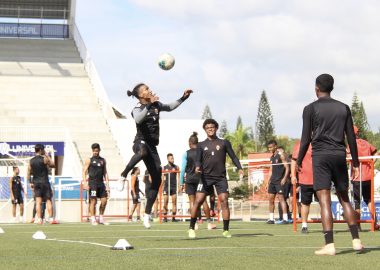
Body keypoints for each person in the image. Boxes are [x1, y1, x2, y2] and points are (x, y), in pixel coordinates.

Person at [297, 74, 363, 255]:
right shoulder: (344, 108)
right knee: (344, 198)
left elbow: (305, 140)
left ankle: (330, 245)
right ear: (331, 88)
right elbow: (351, 138)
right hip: (339, 156)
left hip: (320, 157)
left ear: (316, 88)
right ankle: (356, 241)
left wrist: (300, 161)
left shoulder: (310, 109)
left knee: (325, 200)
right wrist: (356, 163)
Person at [120, 83, 192, 228]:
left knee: (157, 179)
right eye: (146, 89)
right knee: (142, 151)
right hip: (140, 142)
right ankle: (123, 175)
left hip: (152, 147)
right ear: (141, 95)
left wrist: (183, 98)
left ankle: (147, 214)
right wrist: (149, 104)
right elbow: (138, 119)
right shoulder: (137, 108)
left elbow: (170, 107)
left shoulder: (156, 105)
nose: (149, 90)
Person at [188, 119, 243, 238]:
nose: (210, 129)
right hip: (205, 177)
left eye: (212, 127)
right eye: (208, 128)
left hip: (220, 177)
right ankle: (191, 227)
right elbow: (197, 159)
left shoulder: (224, 143)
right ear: (205, 130)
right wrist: (197, 166)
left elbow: (233, 156)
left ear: (216, 128)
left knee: (224, 200)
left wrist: (239, 167)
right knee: (198, 201)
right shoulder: (201, 145)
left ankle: (226, 230)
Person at [180, 132, 216, 230]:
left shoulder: (186, 153)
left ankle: (194, 224)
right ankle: (209, 223)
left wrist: (181, 182)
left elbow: (183, 169)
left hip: (190, 179)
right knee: (203, 201)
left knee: (192, 202)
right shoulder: (202, 152)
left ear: (189, 143)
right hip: (201, 179)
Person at [348, 126, 378, 230]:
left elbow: (346, 156)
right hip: (368, 176)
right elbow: (376, 153)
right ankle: (374, 223)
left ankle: (357, 225)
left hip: (357, 177)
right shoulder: (365, 143)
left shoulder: (351, 145)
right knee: (369, 200)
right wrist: (371, 164)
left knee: (356, 201)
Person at [82, 143, 110, 226]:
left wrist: (107, 185)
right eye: (94, 151)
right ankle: (93, 218)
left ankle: (101, 218)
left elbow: (105, 173)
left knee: (104, 201)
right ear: (92, 151)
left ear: (99, 150)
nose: (95, 152)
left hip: (101, 184)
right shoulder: (89, 160)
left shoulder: (103, 160)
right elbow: (84, 171)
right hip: (92, 184)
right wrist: (85, 183)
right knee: (93, 201)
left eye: (97, 151)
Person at [291, 140, 316, 233]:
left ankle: (327, 226)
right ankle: (304, 225)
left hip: (321, 178)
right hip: (305, 179)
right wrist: (293, 175)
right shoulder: (300, 144)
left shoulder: (322, 142)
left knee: (324, 202)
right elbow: (293, 160)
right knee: (305, 203)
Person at [27, 144, 55, 225]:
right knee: (48, 200)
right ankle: (50, 219)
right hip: (45, 182)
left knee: (38, 201)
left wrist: (30, 182)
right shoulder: (44, 159)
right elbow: (53, 165)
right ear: (40, 150)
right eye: (43, 149)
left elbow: (28, 173)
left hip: (36, 183)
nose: (44, 151)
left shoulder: (31, 161)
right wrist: (47, 155)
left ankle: (39, 219)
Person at [265, 140, 290, 225]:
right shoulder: (272, 157)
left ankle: (285, 219)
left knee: (281, 199)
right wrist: (267, 182)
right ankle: (271, 219)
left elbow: (287, 168)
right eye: (268, 147)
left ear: (275, 146)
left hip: (279, 181)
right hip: (272, 182)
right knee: (271, 200)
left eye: (271, 147)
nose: (269, 149)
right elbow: (271, 170)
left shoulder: (281, 155)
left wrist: (284, 178)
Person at [162, 153, 180, 222]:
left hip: (173, 187)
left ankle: (173, 218)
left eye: (173, 158)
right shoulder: (164, 167)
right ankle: (165, 217)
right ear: (168, 159)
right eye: (171, 158)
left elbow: (178, 178)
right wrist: (161, 187)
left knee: (174, 202)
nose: (173, 159)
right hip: (166, 187)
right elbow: (162, 179)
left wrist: (179, 187)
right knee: (165, 202)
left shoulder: (176, 167)